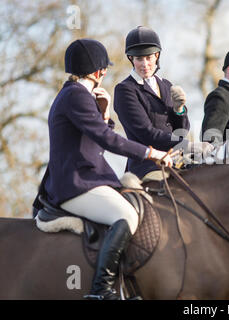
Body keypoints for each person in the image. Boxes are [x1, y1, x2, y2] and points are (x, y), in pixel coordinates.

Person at [39, 38, 173, 300]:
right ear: (98, 71)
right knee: (126, 216)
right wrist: (151, 153)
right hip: (76, 183)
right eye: (105, 69)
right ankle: (101, 291)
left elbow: (96, 134)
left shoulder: (76, 95)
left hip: (90, 178)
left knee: (136, 206)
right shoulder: (75, 95)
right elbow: (107, 140)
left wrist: (105, 112)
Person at [114, 26, 211, 179]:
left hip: (177, 160)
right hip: (148, 165)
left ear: (157, 56)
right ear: (131, 59)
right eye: (139, 59)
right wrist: (187, 146)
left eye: (149, 58)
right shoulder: (125, 90)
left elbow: (182, 131)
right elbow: (147, 134)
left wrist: (179, 110)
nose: (145, 64)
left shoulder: (166, 85)